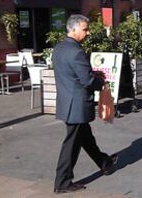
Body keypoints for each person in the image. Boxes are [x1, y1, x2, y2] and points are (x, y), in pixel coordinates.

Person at [53, 14, 117, 194]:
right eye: (85, 29)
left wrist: (91, 73)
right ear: (73, 29)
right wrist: (102, 83)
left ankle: (104, 162)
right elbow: (87, 81)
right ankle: (62, 182)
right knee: (71, 144)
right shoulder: (76, 51)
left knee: (86, 138)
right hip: (77, 106)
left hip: (67, 103)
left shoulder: (59, 48)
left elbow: (73, 73)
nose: (88, 33)